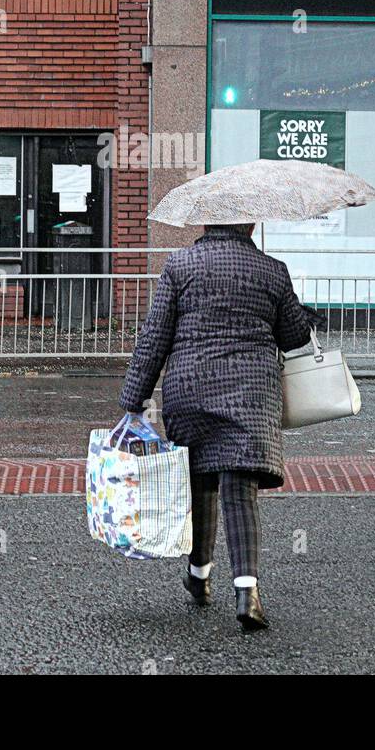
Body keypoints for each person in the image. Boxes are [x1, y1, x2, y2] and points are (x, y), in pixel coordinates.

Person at [119, 222, 317, 632]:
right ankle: (248, 593)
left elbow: (154, 337)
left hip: (190, 389)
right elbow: (295, 336)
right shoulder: (271, 269)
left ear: (207, 223)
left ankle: (199, 575)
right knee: (239, 490)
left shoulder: (180, 265)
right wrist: (304, 314)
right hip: (250, 393)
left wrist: (133, 400)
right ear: (250, 225)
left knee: (201, 484)